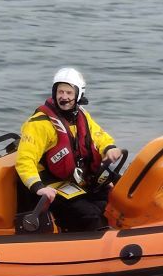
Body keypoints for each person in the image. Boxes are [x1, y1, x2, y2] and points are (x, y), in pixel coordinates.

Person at [16, 67, 124, 232]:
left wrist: (109, 148)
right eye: (60, 92)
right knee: (89, 215)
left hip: (76, 180)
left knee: (112, 201)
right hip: (50, 185)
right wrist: (38, 187)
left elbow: (99, 135)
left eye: (68, 93)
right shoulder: (39, 124)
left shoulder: (81, 116)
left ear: (78, 95)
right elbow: (25, 160)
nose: (63, 97)